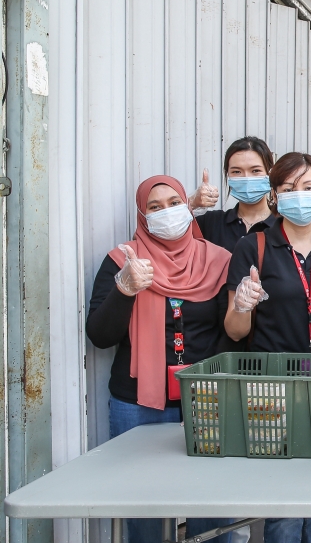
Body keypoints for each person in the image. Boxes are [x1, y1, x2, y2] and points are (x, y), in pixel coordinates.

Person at [224, 152, 311, 543]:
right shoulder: (251, 248)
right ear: (274, 195)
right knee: (283, 507)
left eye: (308, 187)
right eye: (288, 189)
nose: (299, 196)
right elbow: (235, 332)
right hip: (271, 388)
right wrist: (242, 305)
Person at [86, 176, 233, 543]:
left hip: (207, 399)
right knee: (145, 509)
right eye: (154, 207)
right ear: (141, 215)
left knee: (212, 505)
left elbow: (232, 334)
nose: (166, 212)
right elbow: (100, 336)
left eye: (173, 203)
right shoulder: (123, 260)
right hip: (138, 402)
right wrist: (124, 289)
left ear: (188, 206)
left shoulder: (218, 260)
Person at [194, 137, 277, 252]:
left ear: (270, 173)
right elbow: (167, 232)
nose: (246, 178)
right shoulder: (211, 223)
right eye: (237, 172)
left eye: (255, 170)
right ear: (228, 176)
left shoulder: (285, 225)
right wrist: (192, 203)